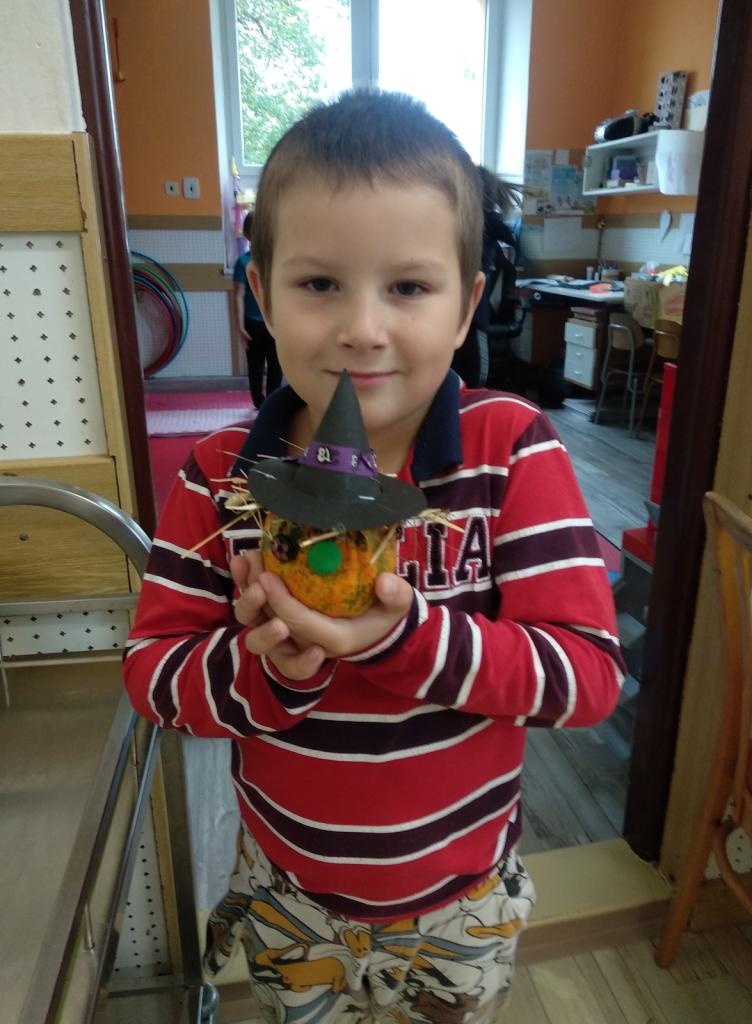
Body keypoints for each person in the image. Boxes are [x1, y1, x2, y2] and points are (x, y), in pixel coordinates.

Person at [124, 90, 625, 1023]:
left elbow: (586, 678)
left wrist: (403, 640)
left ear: (469, 302)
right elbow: (154, 676)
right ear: (260, 293)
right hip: (289, 896)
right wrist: (272, 669)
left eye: (408, 287)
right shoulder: (218, 478)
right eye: (319, 284)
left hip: (463, 904)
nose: (362, 327)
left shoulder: (509, 452)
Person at [451, 166, 522, 390]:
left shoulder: (477, 223)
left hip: (465, 315)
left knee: (464, 379)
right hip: (472, 317)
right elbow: (512, 242)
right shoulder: (487, 223)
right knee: (472, 381)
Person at [232, 210, 282, 407]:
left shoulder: (275, 261)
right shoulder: (243, 262)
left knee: (276, 365)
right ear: (248, 234)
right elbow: (238, 296)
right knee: (255, 365)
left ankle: (271, 402)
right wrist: (239, 326)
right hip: (252, 323)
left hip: (274, 322)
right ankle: (258, 402)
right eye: (255, 231)